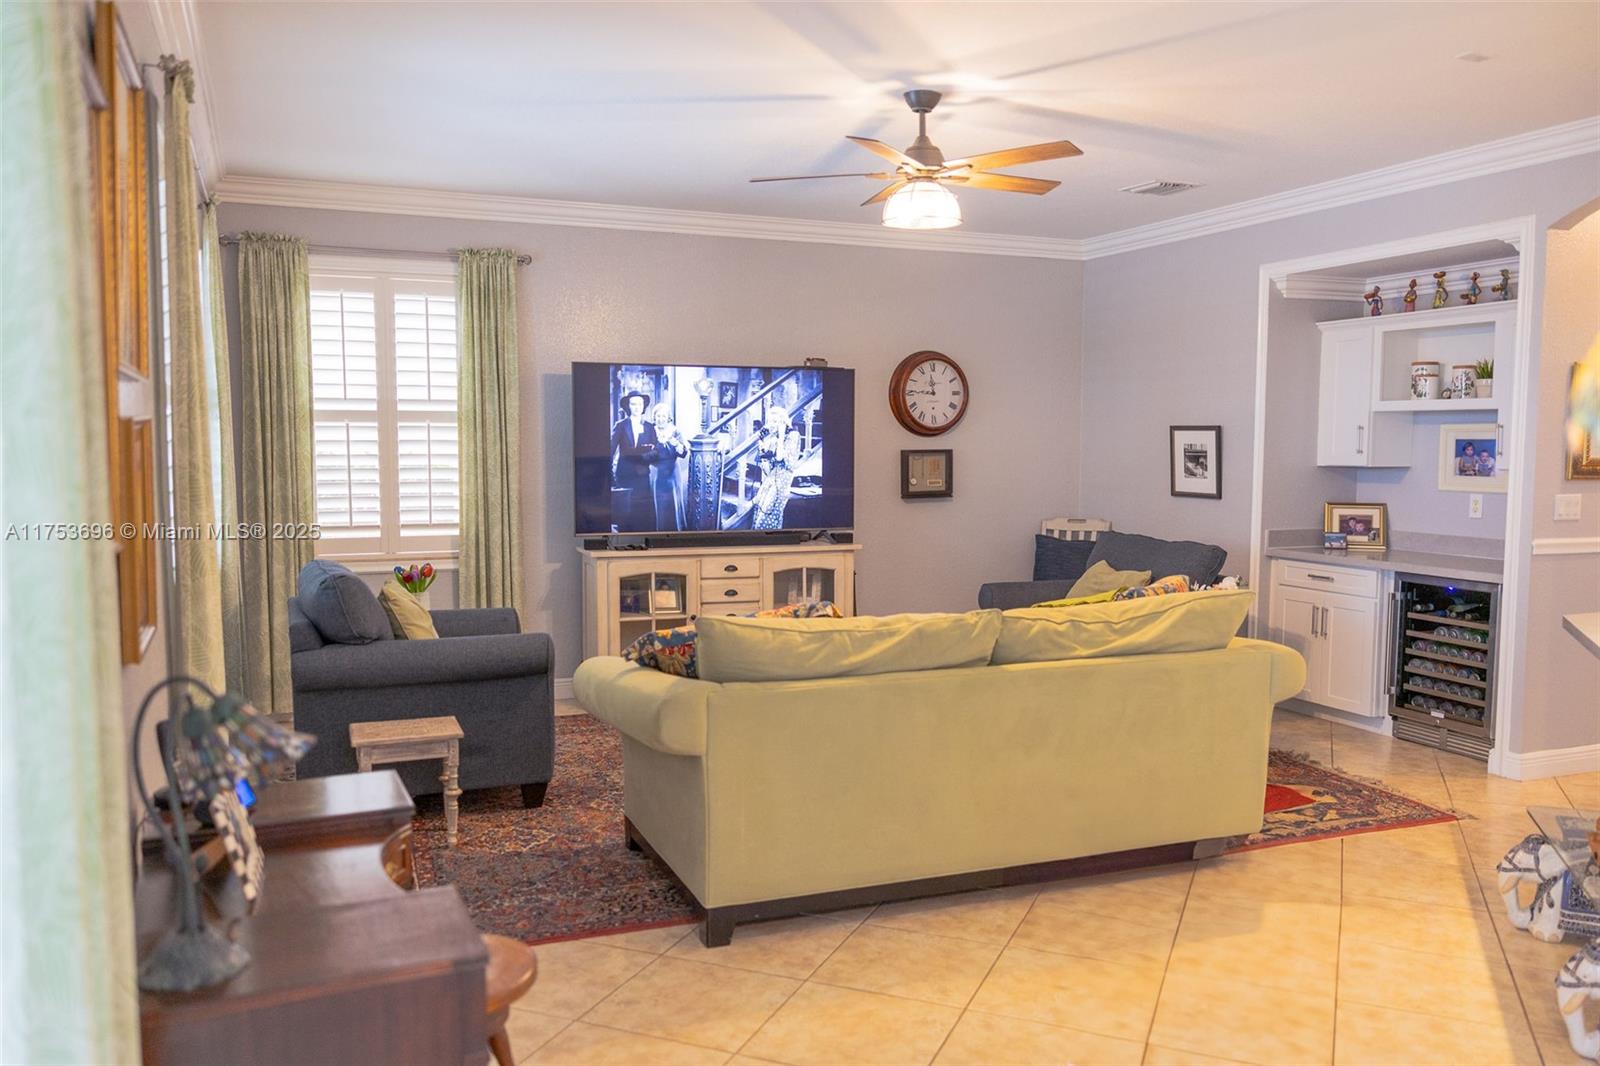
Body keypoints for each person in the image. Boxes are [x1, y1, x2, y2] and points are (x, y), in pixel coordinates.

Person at [609, 392, 658, 531]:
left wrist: (643, 457)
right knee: (625, 514)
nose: (637, 407)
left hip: (642, 475)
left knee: (642, 512)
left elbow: (656, 451)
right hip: (624, 475)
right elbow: (610, 451)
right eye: (633, 404)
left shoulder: (649, 426)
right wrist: (611, 477)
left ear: (644, 406)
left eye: (640, 404)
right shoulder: (621, 425)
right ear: (628, 406)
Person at [648, 402, 688, 531]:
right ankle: (657, 531)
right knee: (657, 502)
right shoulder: (650, 432)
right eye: (658, 416)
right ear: (655, 418)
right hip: (656, 472)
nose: (661, 419)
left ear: (668, 417)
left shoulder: (675, 431)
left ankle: (675, 530)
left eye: (663, 416)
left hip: (672, 472)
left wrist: (676, 444)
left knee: (673, 501)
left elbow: (683, 453)